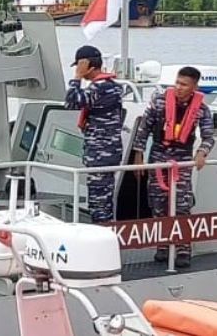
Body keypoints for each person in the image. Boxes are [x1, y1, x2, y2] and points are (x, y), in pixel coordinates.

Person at [133, 66, 214, 267]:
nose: (179, 87)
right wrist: (138, 154)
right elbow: (144, 129)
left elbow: (208, 135)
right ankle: (162, 245)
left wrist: (202, 152)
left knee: (182, 206)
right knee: (158, 204)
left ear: (194, 87)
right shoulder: (159, 102)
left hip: (183, 161)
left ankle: (183, 249)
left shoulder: (201, 109)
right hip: (159, 157)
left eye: (184, 85)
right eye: (177, 83)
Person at [64, 45, 123, 223]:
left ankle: (103, 238)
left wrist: (77, 78)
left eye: (79, 65)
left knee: (99, 204)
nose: (77, 69)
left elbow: (71, 102)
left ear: (86, 64)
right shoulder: (110, 86)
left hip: (101, 154)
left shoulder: (101, 88)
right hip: (106, 152)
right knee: (103, 200)